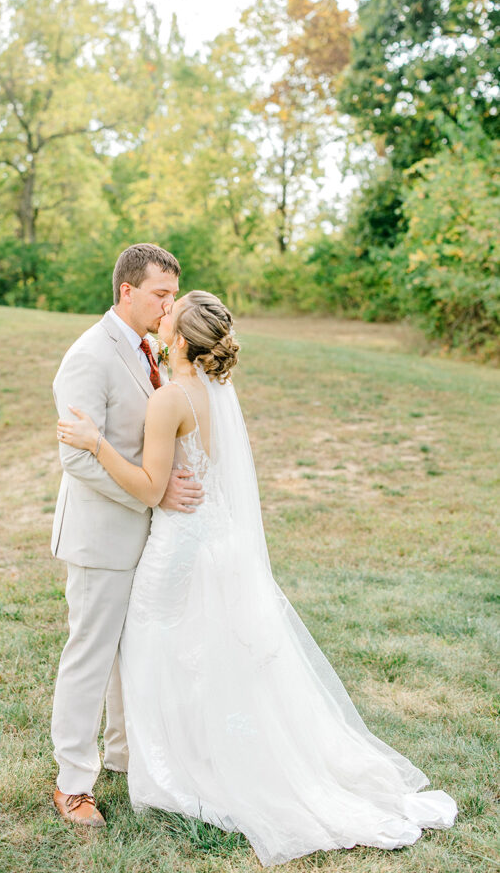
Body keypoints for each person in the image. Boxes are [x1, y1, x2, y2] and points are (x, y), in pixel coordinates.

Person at [56, 289, 457, 867]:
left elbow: (149, 487)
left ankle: (174, 763)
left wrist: (95, 441)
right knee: (201, 650)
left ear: (182, 339)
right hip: (213, 538)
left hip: (176, 545)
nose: (163, 312)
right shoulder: (216, 391)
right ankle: (169, 753)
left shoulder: (170, 398)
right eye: (161, 298)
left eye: (171, 308)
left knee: (153, 645)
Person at [50, 244, 204, 828]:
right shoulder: (89, 356)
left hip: (144, 533)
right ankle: (72, 784)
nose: (169, 307)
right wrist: (151, 491)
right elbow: (77, 460)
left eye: (172, 295)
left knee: (127, 654)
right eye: (161, 295)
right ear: (126, 292)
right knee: (89, 655)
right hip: (100, 535)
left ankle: (120, 754)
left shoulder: (148, 350)